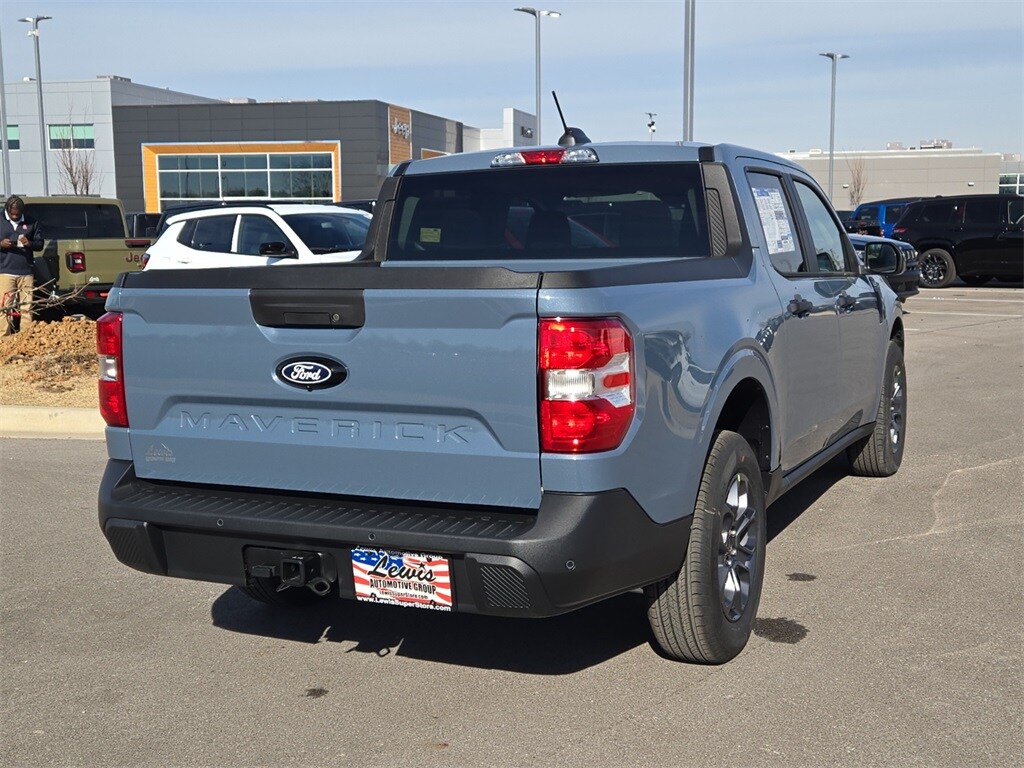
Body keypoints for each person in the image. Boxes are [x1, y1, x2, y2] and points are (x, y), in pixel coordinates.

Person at [0, 195, 44, 336]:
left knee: (27, 307)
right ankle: (4, 338)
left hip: (26, 271)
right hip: (6, 271)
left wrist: (29, 243)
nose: (15, 216)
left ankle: (25, 336)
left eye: (18, 215)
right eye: (12, 214)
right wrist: (1, 244)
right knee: (5, 306)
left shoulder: (31, 222)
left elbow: (40, 244)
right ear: (7, 209)